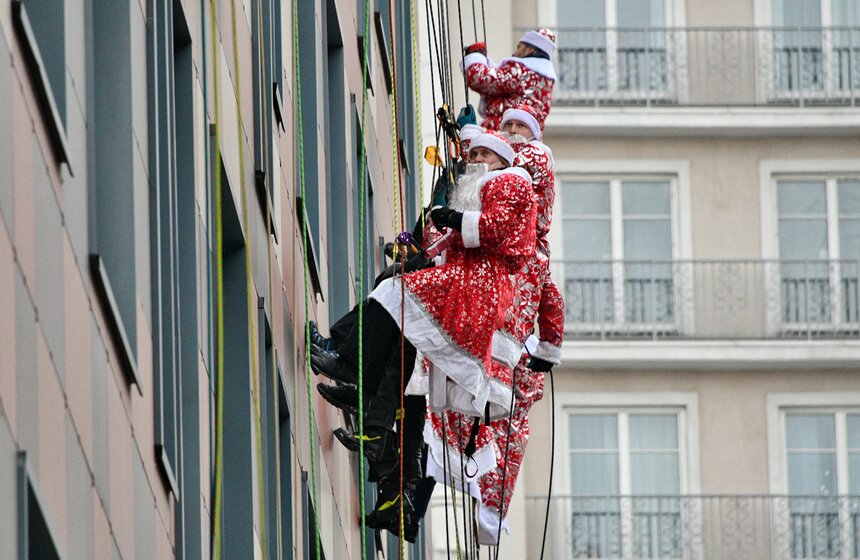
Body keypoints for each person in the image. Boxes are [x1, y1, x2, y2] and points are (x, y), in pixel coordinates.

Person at [310, 131, 537, 531]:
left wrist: (453, 220)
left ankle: (351, 370)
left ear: (501, 158)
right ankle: (360, 389)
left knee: (395, 299)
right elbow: (455, 239)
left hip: (472, 291)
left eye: (483, 151)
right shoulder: (480, 187)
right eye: (472, 151)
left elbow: (497, 230)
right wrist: (429, 249)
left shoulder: (510, 181)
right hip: (467, 286)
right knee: (396, 303)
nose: (473, 157)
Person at [462, 28, 557, 131]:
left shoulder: (524, 72)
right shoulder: (540, 76)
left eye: (519, 48)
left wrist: (475, 56)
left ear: (530, 49)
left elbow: (480, 79)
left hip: (504, 136)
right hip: (521, 136)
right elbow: (501, 80)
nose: (514, 53)